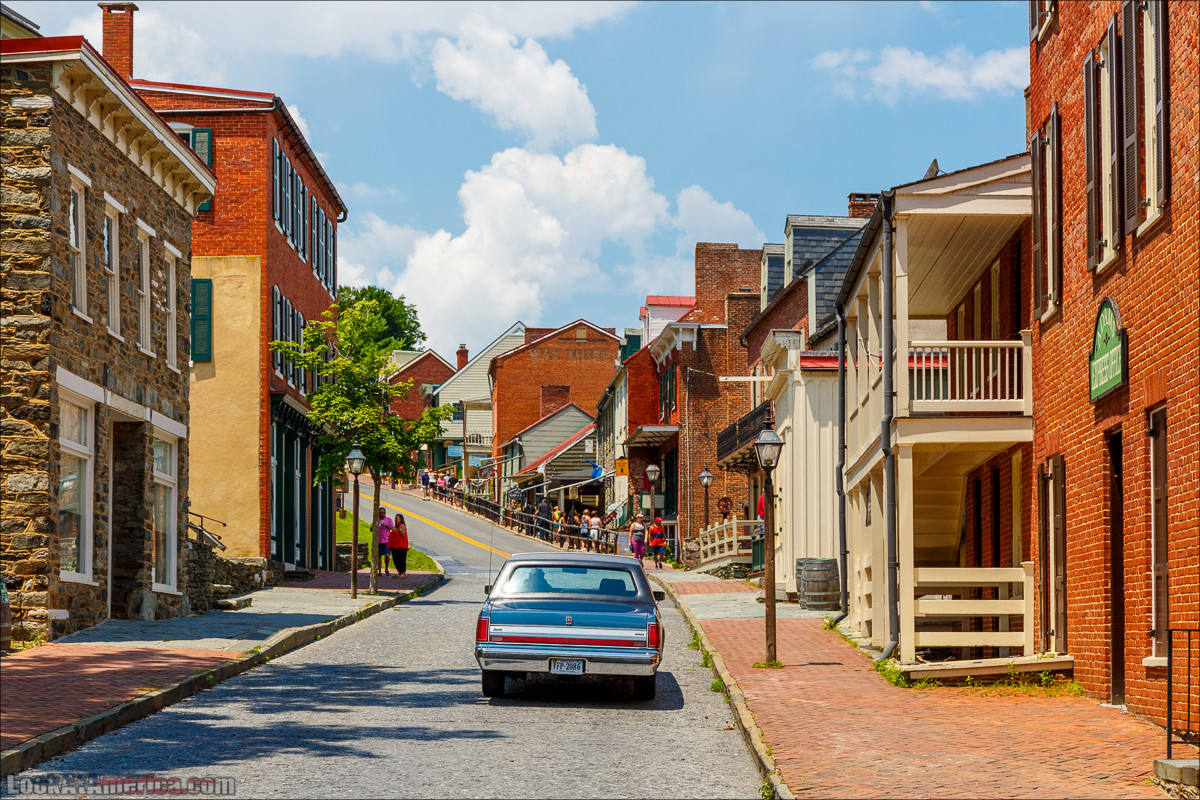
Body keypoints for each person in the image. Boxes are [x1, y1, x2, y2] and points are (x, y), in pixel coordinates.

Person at [388, 513, 409, 578]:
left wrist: (398, 529)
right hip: (394, 546)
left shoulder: (402, 526)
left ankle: (403, 572)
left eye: (397, 518)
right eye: (395, 518)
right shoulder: (396, 527)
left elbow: (403, 534)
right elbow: (392, 528)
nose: (395, 519)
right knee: (396, 560)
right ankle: (399, 572)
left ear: (401, 519)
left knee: (401, 559)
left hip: (401, 546)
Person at [376, 508, 395, 575]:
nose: (381, 514)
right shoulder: (376, 520)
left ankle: (386, 569)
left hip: (386, 540)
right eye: (380, 513)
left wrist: (386, 526)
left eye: (382, 513)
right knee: (378, 556)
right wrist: (375, 527)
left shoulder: (388, 520)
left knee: (387, 555)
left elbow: (393, 528)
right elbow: (371, 528)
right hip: (378, 541)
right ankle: (379, 571)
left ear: (385, 513)